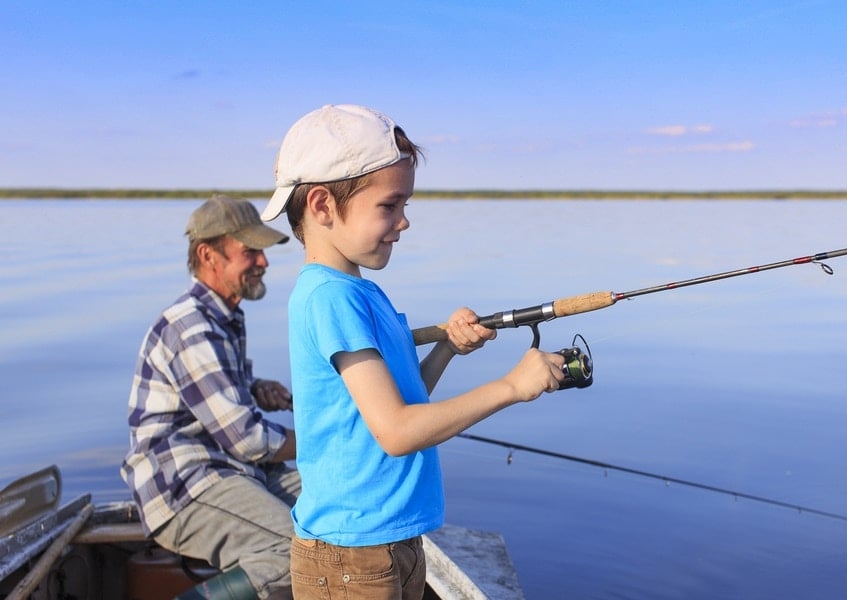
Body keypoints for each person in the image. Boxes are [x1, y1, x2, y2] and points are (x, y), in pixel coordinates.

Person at [260, 104, 566, 600]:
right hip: (350, 556)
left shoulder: (360, 292)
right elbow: (399, 433)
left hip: (387, 540)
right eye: (389, 206)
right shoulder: (329, 298)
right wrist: (511, 387)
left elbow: (402, 401)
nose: (404, 222)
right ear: (321, 206)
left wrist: (445, 347)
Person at [121, 194, 299, 600]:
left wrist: (254, 388)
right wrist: (326, 442)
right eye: (250, 252)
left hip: (230, 467)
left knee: (337, 505)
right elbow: (248, 439)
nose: (264, 262)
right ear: (209, 255)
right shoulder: (191, 327)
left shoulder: (224, 317)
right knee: (296, 552)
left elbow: (214, 395)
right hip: (183, 485)